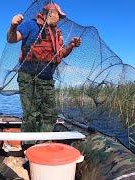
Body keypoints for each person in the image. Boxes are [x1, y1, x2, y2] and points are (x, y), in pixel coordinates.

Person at [7, 3, 81, 132]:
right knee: (31, 114)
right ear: (50, 13)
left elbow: (60, 54)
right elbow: (12, 39)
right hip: (28, 77)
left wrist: (71, 46)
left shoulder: (57, 33)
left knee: (49, 114)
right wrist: (13, 26)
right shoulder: (31, 25)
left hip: (47, 79)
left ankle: (44, 144)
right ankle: (28, 146)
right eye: (59, 16)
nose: (60, 19)